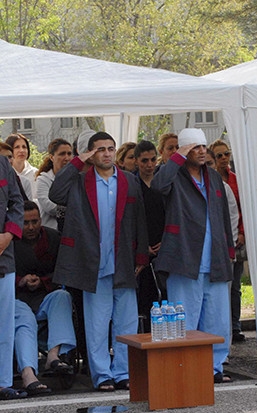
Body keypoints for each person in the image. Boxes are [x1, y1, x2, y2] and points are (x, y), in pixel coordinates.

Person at [49, 131, 149, 392]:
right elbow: (55, 193)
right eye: (101, 149)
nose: (107, 153)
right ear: (91, 153)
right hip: (93, 263)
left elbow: (139, 219)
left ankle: (123, 372)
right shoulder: (80, 181)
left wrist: (141, 256)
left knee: (126, 322)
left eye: (110, 148)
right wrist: (78, 162)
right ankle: (102, 374)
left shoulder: (128, 180)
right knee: (97, 323)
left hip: (124, 261)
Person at [151, 128, 235, 384]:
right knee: (185, 319)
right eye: (194, 147)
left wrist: (229, 250)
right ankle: (186, 366)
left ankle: (215, 367)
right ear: (183, 150)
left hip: (216, 258)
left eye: (203, 146)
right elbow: (157, 186)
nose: (201, 151)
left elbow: (222, 216)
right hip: (185, 257)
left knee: (218, 318)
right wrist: (177, 157)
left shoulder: (212, 176)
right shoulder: (174, 174)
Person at [14, 201, 76, 396]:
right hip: (16, 298)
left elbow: (63, 269)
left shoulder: (52, 237)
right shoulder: (10, 241)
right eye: (25, 223)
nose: (31, 227)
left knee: (62, 297)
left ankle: (54, 354)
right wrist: (21, 280)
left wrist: (42, 281)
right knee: (25, 317)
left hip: (45, 294)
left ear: (41, 220)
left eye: (34, 221)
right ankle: (28, 372)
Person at [209, 139, 246, 343]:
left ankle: (235, 325)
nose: (224, 158)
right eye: (219, 155)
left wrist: (241, 233)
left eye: (226, 154)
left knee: (235, 285)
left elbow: (240, 211)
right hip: (217, 242)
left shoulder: (234, 180)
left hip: (235, 239)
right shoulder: (214, 182)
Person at [133, 140, 167, 331]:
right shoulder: (132, 183)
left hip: (164, 245)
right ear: (137, 161)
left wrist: (166, 241)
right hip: (142, 248)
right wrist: (140, 245)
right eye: (144, 160)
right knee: (145, 298)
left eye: (153, 159)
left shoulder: (163, 181)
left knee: (167, 296)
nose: (149, 164)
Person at [0, 155, 24, 400]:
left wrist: (8, 235)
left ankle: (3, 381)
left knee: (4, 325)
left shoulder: (3, 164)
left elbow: (17, 203)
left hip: (3, 258)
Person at [35, 139, 74, 230]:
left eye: (69, 154)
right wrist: (72, 210)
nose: (67, 158)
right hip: (51, 231)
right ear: (52, 157)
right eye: (62, 154)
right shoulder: (43, 179)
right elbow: (48, 205)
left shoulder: (76, 178)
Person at [5, 134, 36, 200]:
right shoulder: (5, 175)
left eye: (24, 147)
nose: (21, 150)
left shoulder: (36, 174)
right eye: (17, 147)